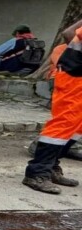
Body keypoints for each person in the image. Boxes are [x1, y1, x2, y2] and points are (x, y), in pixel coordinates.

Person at [22, 24, 82, 193]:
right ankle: (37, 173)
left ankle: (51, 166)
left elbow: (69, 33)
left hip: (75, 76)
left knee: (76, 128)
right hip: (75, 78)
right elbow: (69, 34)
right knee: (64, 123)